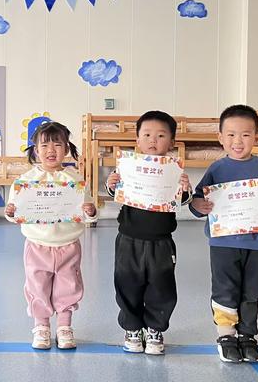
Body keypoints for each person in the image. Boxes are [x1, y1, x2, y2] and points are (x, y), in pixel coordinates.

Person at [5, 121, 97, 350]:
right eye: (44, 145)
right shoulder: (25, 181)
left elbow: (88, 212)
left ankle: (64, 326)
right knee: (37, 286)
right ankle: (42, 326)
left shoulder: (74, 180)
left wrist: (91, 211)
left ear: (66, 149)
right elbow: (14, 213)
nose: (51, 150)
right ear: (36, 150)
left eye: (58, 144)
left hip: (68, 244)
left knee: (69, 286)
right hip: (37, 244)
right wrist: (11, 212)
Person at [106, 110, 191, 355]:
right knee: (127, 283)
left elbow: (182, 201)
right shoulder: (128, 168)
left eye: (161, 135)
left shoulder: (175, 172)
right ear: (138, 140)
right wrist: (112, 184)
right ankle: (132, 328)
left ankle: (155, 328)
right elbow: (117, 195)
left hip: (161, 242)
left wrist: (184, 189)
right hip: (128, 240)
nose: (153, 140)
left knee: (161, 286)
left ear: (172, 142)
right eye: (147, 134)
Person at [190, 104, 258, 364]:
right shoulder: (217, 169)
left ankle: (247, 335)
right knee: (225, 288)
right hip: (223, 242)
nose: (238, 141)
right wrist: (197, 206)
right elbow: (198, 202)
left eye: (246, 135)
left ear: (256, 137)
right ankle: (226, 334)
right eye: (231, 135)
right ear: (221, 138)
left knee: (252, 290)